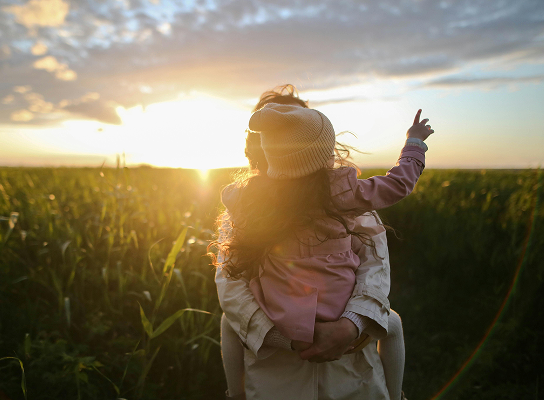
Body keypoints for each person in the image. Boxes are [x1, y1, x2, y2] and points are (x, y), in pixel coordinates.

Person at [212, 85, 433, 400]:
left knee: (228, 323)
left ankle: (234, 395)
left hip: (323, 348)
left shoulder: (249, 202)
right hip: (299, 351)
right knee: (392, 322)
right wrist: (414, 144)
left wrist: (346, 328)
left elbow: (374, 266)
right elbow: (398, 184)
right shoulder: (345, 195)